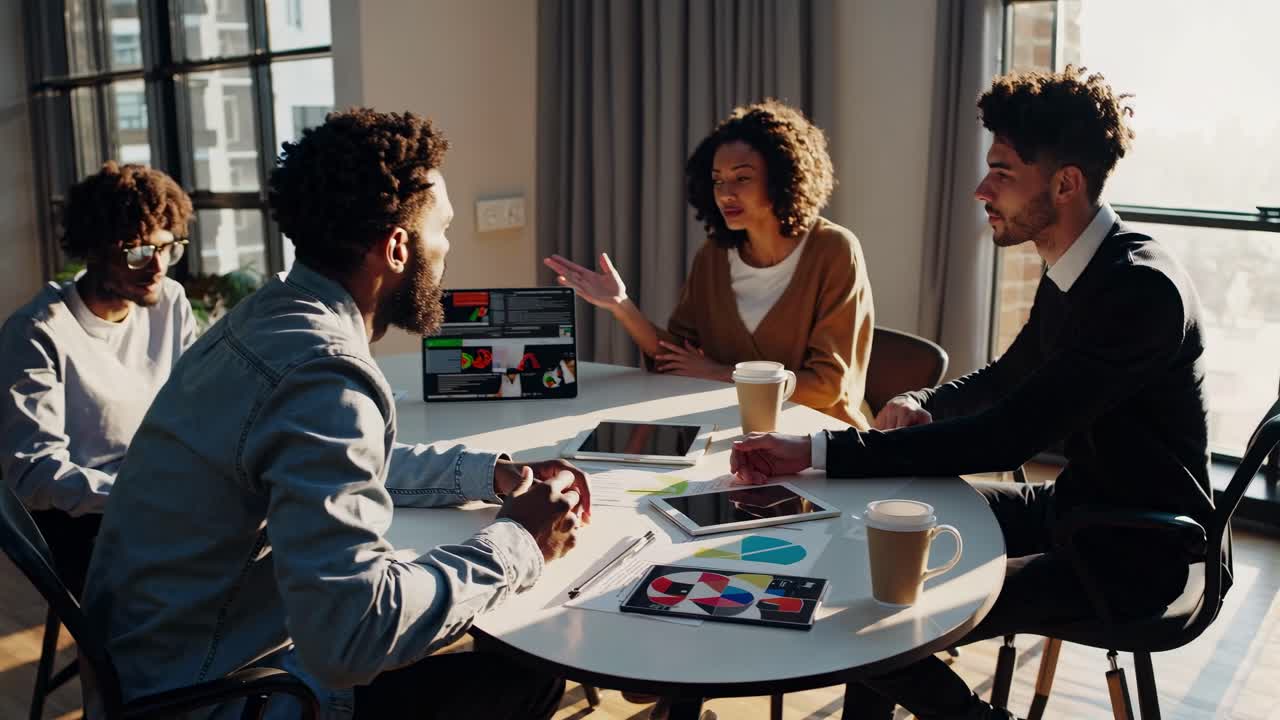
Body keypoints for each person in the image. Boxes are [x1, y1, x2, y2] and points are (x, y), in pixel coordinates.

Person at [730, 67, 1221, 720]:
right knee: (873, 533)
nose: (981, 189)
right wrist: (927, 401)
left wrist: (818, 448)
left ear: (1065, 183)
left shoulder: (1138, 290)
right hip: (1079, 508)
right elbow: (1007, 376)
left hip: (1137, 551)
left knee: (882, 620)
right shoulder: (1080, 266)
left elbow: (1008, 433)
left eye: (1002, 171)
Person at [81, 109, 590, 720]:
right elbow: (351, 638)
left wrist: (489, 474)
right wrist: (520, 541)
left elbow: (326, 461)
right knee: (524, 676)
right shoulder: (325, 370)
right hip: (222, 697)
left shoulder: (268, 317)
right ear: (398, 247)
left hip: (155, 670)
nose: (448, 248)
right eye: (444, 230)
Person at [545, 99, 875, 429]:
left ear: (782, 178)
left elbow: (826, 387)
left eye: (742, 179)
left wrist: (719, 373)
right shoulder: (714, 256)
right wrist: (622, 306)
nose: (726, 194)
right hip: (728, 430)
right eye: (718, 181)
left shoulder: (834, 251)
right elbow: (678, 359)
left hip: (821, 439)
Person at [0, 161, 196, 595]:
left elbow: (194, 411)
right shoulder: (37, 332)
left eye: (169, 248)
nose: (158, 266)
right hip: (83, 522)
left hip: (159, 497)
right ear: (94, 249)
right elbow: (34, 475)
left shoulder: (170, 304)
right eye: (139, 251)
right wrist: (141, 497)